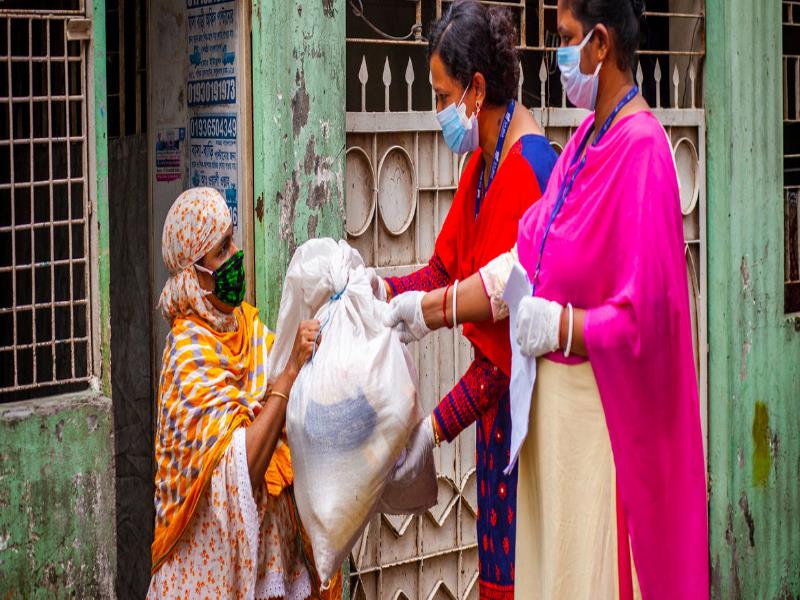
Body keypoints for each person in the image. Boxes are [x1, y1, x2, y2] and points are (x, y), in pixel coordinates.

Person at [383, 0, 709, 598]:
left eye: (565, 38)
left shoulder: (643, 152)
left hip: (604, 430)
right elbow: (525, 260)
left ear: (601, 44)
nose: (557, 56)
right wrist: (413, 306)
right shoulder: (585, 140)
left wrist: (560, 327)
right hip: (553, 429)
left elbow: (650, 321)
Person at [370, 1, 557, 598]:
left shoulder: (530, 169)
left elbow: (503, 359)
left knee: (524, 577)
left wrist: (430, 428)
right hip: (497, 422)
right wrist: (373, 291)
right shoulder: (485, 159)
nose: (438, 110)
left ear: (476, 89)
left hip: (529, 416)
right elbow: (442, 270)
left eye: (442, 93)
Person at [147, 188, 340, 599]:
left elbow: (298, 405)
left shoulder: (247, 327)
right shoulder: (187, 356)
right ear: (194, 273)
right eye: (222, 250)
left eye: (232, 239)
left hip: (270, 572)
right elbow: (244, 467)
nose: (236, 254)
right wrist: (288, 374)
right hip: (207, 578)